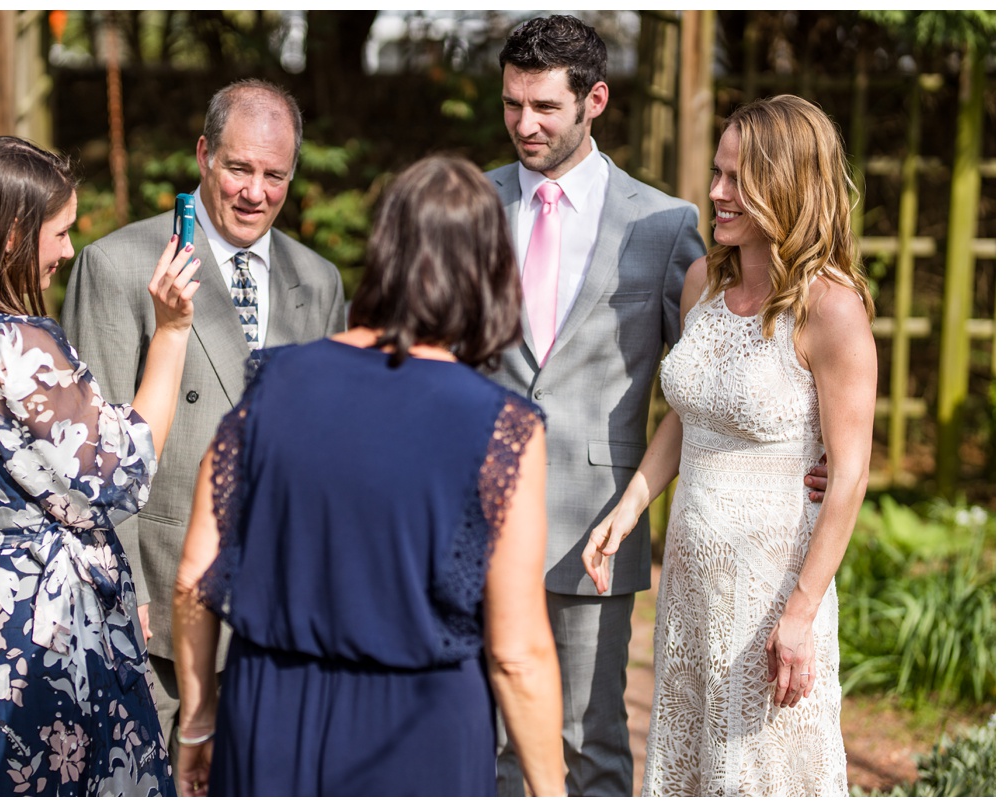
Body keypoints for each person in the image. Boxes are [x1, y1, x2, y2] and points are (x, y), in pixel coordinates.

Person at [486, 17, 829, 796]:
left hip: (596, 522)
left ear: (594, 99)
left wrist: (811, 448)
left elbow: (709, 375)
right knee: (486, 732)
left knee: (591, 739)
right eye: (512, 104)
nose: (524, 124)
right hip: (478, 516)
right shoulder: (472, 203)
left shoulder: (664, 223)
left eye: (543, 106)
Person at [170, 155, 565, 797]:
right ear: (489, 270)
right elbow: (517, 652)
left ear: (383, 253)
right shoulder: (504, 427)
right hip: (421, 731)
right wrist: (551, 791)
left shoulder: (273, 384)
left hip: (267, 717)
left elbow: (193, 580)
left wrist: (197, 721)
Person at [583, 94, 876, 796]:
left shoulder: (831, 308)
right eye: (717, 172)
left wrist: (801, 613)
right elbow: (689, 415)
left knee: (763, 769)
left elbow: (851, 474)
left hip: (773, 587)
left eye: (738, 179)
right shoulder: (701, 284)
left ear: (789, 186)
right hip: (690, 582)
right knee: (692, 760)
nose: (715, 192)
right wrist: (630, 507)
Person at [60, 78, 346, 767]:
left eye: (274, 175)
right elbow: (90, 459)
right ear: (203, 156)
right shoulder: (119, 266)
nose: (255, 192)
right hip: (158, 600)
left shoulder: (321, 281)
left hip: (282, 611)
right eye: (239, 168)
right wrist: (118, 591)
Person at [0, 135, 201, 795]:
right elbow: (121, 471)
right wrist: (173, 333)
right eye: (60, 232)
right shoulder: (19, 342)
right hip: (47, 629)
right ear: (13, 233)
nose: (68, 251)